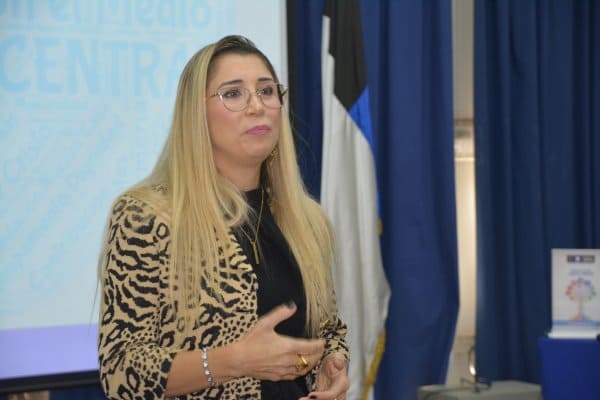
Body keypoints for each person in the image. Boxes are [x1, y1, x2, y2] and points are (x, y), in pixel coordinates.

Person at [97, 35, 349, 400]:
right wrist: (234, 361)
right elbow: (121, 372)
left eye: (266, 91)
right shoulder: (146, 217)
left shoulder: (307, 221)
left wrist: (332, 363)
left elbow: (327, 330)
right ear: (196, 114)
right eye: (233, 94)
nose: (257, 106)